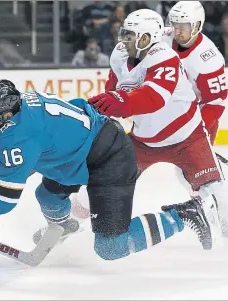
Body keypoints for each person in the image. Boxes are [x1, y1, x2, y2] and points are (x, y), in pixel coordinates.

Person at [0, 78, 218, 263]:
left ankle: (183, 215)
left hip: (109, 160)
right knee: (48, 196)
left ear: (6, 114)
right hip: (77, 154)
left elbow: (3, 196)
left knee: (111, 246)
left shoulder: (22, 134)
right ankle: (65, 226)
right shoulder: (19, 112)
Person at [90, 9, 227, 238]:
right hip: (143, 140)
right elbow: (114, 88)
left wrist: (119, 102)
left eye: (131, 35)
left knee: (215, 191)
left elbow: (153, 98)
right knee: (105, 180)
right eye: (125, 33)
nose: (124, 40)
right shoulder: (122, 54)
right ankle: (66, 221)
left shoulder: (168, 57)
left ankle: (222, 228)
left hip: (187, 136)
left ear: (146, 38)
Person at [162, 1, 228, 202]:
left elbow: (215, 104)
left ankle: (216, 207)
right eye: (175, 24)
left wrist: (196, 133)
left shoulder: (209, 60)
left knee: (190, 170)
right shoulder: (163, 38)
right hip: (172, 115)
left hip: (198, 117)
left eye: (185, 25)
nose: (178, 30)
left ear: (198, 25)